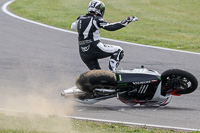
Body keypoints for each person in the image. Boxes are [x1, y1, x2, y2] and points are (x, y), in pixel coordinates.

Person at [71, 0, 138, 71]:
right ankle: (111, 72)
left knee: (98, 74)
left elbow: (73, 27)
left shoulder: (80, 19)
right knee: (119, 50)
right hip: (95, 47)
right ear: (100, 10)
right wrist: (126, 21)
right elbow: (110, 27)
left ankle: (100, 80)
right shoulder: (97, 19)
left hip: (83, 53)